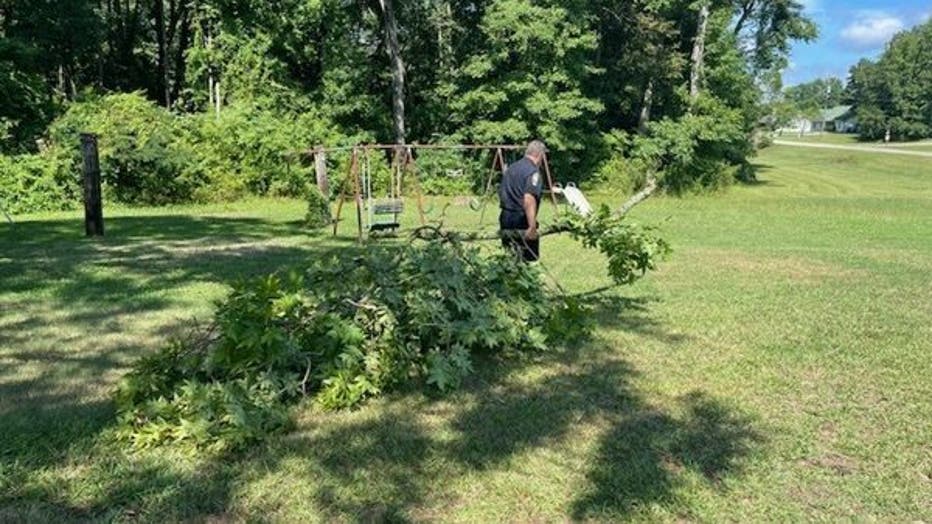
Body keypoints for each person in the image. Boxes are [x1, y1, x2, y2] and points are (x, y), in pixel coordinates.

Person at [499, 140, 547, 262]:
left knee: (510, 257)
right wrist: (531, 226)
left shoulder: (511, 168)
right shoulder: (533, 172)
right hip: (521, 220)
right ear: (539, 155)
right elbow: (529, 198)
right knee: (525, 259)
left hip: (505, 217)